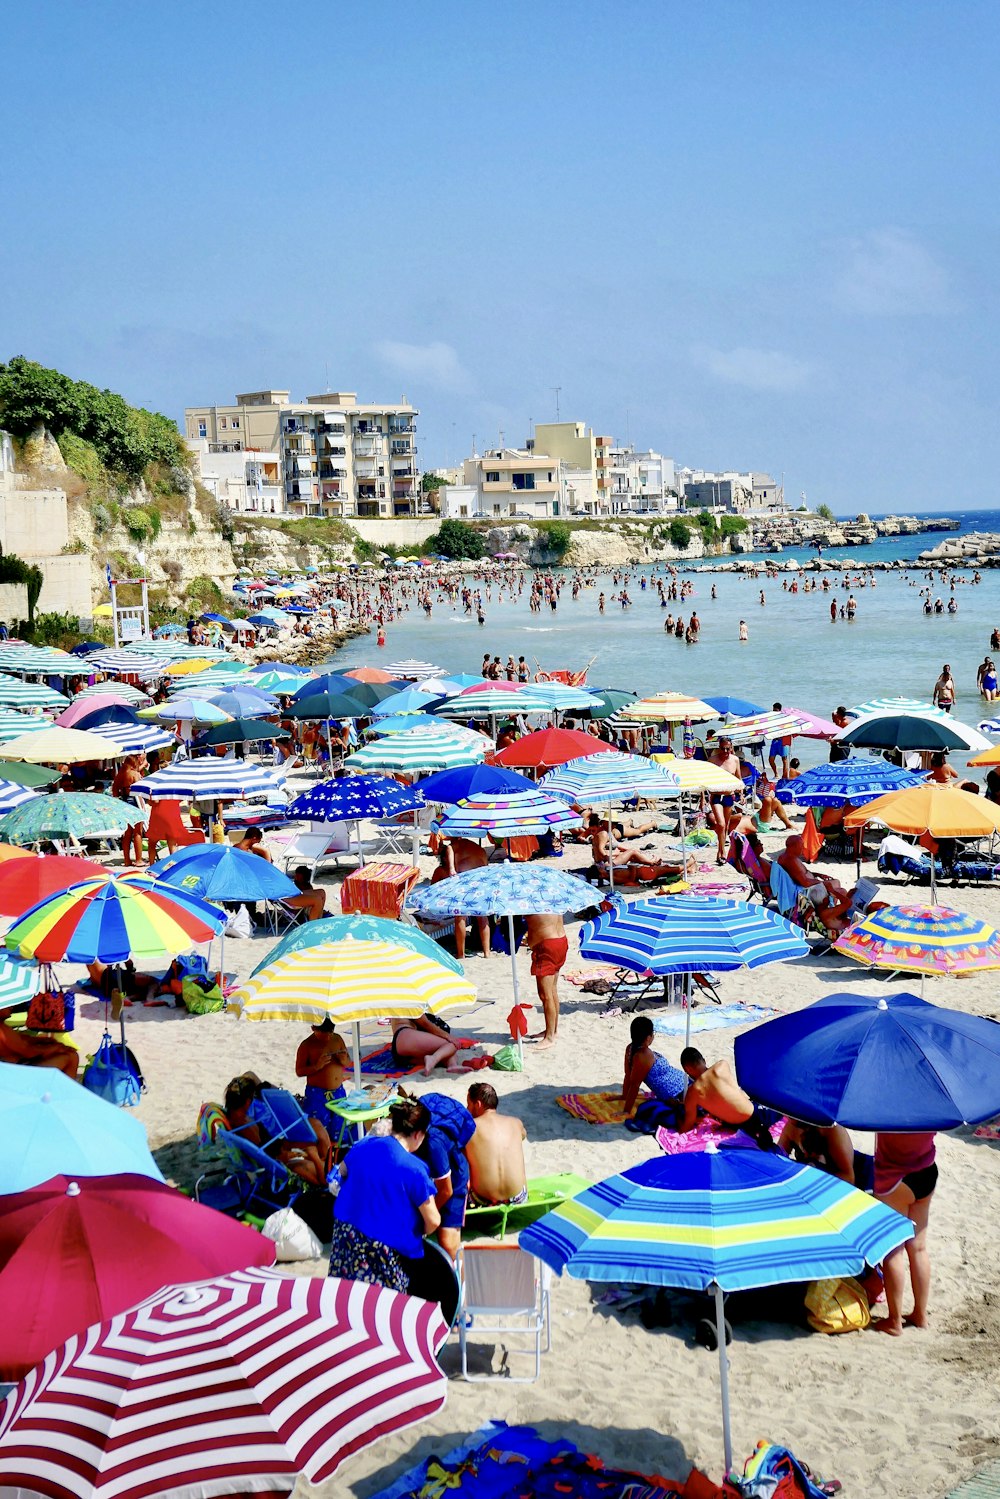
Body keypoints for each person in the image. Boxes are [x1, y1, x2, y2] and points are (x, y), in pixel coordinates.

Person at [328, 1097, 440, 1293]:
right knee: (381, 1306)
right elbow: (433, 1220)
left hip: (346, 1234)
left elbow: (341, 1172)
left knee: (345, 1297)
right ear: (418, 1134)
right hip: (383, 1246)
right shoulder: (414, 1169)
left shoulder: (364, 1145)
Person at [873, 1132, 937, 1335]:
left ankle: (894, 1321)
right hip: (927, 1171)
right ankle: (920, 1315)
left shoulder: (888, 1106)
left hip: (895, 1177)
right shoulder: (931, 1103)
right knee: (919, 1248)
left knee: (893, 1250)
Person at [413, 1090, 477, 1258]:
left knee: (449, 1246)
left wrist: (426, 1217)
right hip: (428, 1177)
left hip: (453, 1180)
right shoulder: (401, 1136)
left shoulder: (433, 1145)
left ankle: (460, 1283)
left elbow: (446, 1190)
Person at [678, 1048, 777, 1149]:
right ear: (703, 1060)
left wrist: (678, 1125)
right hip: (754, 1114)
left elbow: (687, 1125)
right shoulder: (722, 1065)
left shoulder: (692, 1093)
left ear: (688, 1069)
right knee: (778, 1106)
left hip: (734, 1126)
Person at [777, 834, 856, 935]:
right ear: (793, 846)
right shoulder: (791, 860)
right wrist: (822, 883)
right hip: (810, 891)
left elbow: (802, 874)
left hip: (811, 888)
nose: (803, 848)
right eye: (801, 846)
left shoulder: (786, 857)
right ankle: (835, 913)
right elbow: (805, 882)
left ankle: (835, 912)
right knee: (841, 891)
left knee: (836, 883)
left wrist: (818, 875)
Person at [465, 1081, 528, 1207]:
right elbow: (522, 1136)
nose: (467, 1109)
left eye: (469, 1104)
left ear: (478, 1104)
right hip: (518, 1198)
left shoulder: (470, 1127)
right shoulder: (516, 1123)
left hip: (482, 1200)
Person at [431, 837, 490, 958]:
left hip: (465, 875)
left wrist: (452, 868)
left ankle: (461, 954)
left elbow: (449, 848)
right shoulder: (479, 849)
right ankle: (487, 953)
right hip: (480, 879)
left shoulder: (458, 844)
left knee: (460, 917)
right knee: (482, 917)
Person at [621, 1016, 686, 1122]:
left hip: (680, 1086)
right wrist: (626, 1110)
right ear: (648, 1037)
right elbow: (634, 1085)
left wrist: (624, 1096)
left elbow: (628, 1075)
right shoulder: (643, 1055)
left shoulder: (630, 1048)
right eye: (653, 1034)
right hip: (678, 1092)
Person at [295, 1018, 351, 1131]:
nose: (328, 1036)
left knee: (339, 1126)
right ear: (313, 1029)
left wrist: (343, 1060)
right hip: (317, 1094)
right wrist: (317, 1066)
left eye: (331, 1032)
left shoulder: (337, 1038)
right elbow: (299, 1071)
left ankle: (337, 1147)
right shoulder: (307, 1045)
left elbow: (348, 1061)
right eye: (324, 1034)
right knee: (319, 1128)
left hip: (338, 1091)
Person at [524, 911, 567, 1047]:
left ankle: (549, 1038)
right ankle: (552, 1030)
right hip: (560, 941)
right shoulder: (550, 897)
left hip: (546, 947)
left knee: (545, 995)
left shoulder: (531, 903)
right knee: (552, 990)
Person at [389, 1014, 483, 1075]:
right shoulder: (410, 999)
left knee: (444, 1051)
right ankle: (433, 1058)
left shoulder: (401, 999)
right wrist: (448, 1036)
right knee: (451, 1044)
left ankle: (452, 1065)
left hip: (401, 1050)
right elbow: (425, 1023)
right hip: (405, 1035)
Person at [0, 1006, 78, 1077]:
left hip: (17, 1066)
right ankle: (66, 1090)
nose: (12, 1007)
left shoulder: (3, 1027)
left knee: (69, 1054)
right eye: (7, 1005)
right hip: (18, 1071)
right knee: (69, 1057)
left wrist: (43, 1041)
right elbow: (29, 1052)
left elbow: (22, 1039)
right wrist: (55, 1048)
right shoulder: (2, 1029)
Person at [779, 1120, 856, 1184]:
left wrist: (812, 1182)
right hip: (810, 1179)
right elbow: (777, 1158)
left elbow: (849, 1177)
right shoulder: (792, 1125)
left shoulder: (831, 1129)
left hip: (830, 1184)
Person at [707, 734, 741, 865]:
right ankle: (723, 853)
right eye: (723, 749)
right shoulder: (712, 760)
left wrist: (741, 793)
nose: (725, 752)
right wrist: (703, 798)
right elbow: (705, 780)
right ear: (719, 748)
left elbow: (738, 779)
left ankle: (719, 853)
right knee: (720, 824)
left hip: (729, 796)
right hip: (716, 796)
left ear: (731, 748)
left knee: (725, 827)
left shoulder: (735, 760)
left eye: (728, 749)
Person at [111, 753, 145, 867]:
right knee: (138, 832)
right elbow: (141, 790)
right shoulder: (134, 774)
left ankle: (127, 860)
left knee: (127, 833)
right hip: (134, 801)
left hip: (124, 801)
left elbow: (114, 791)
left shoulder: (120, 775)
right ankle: (139, 860)